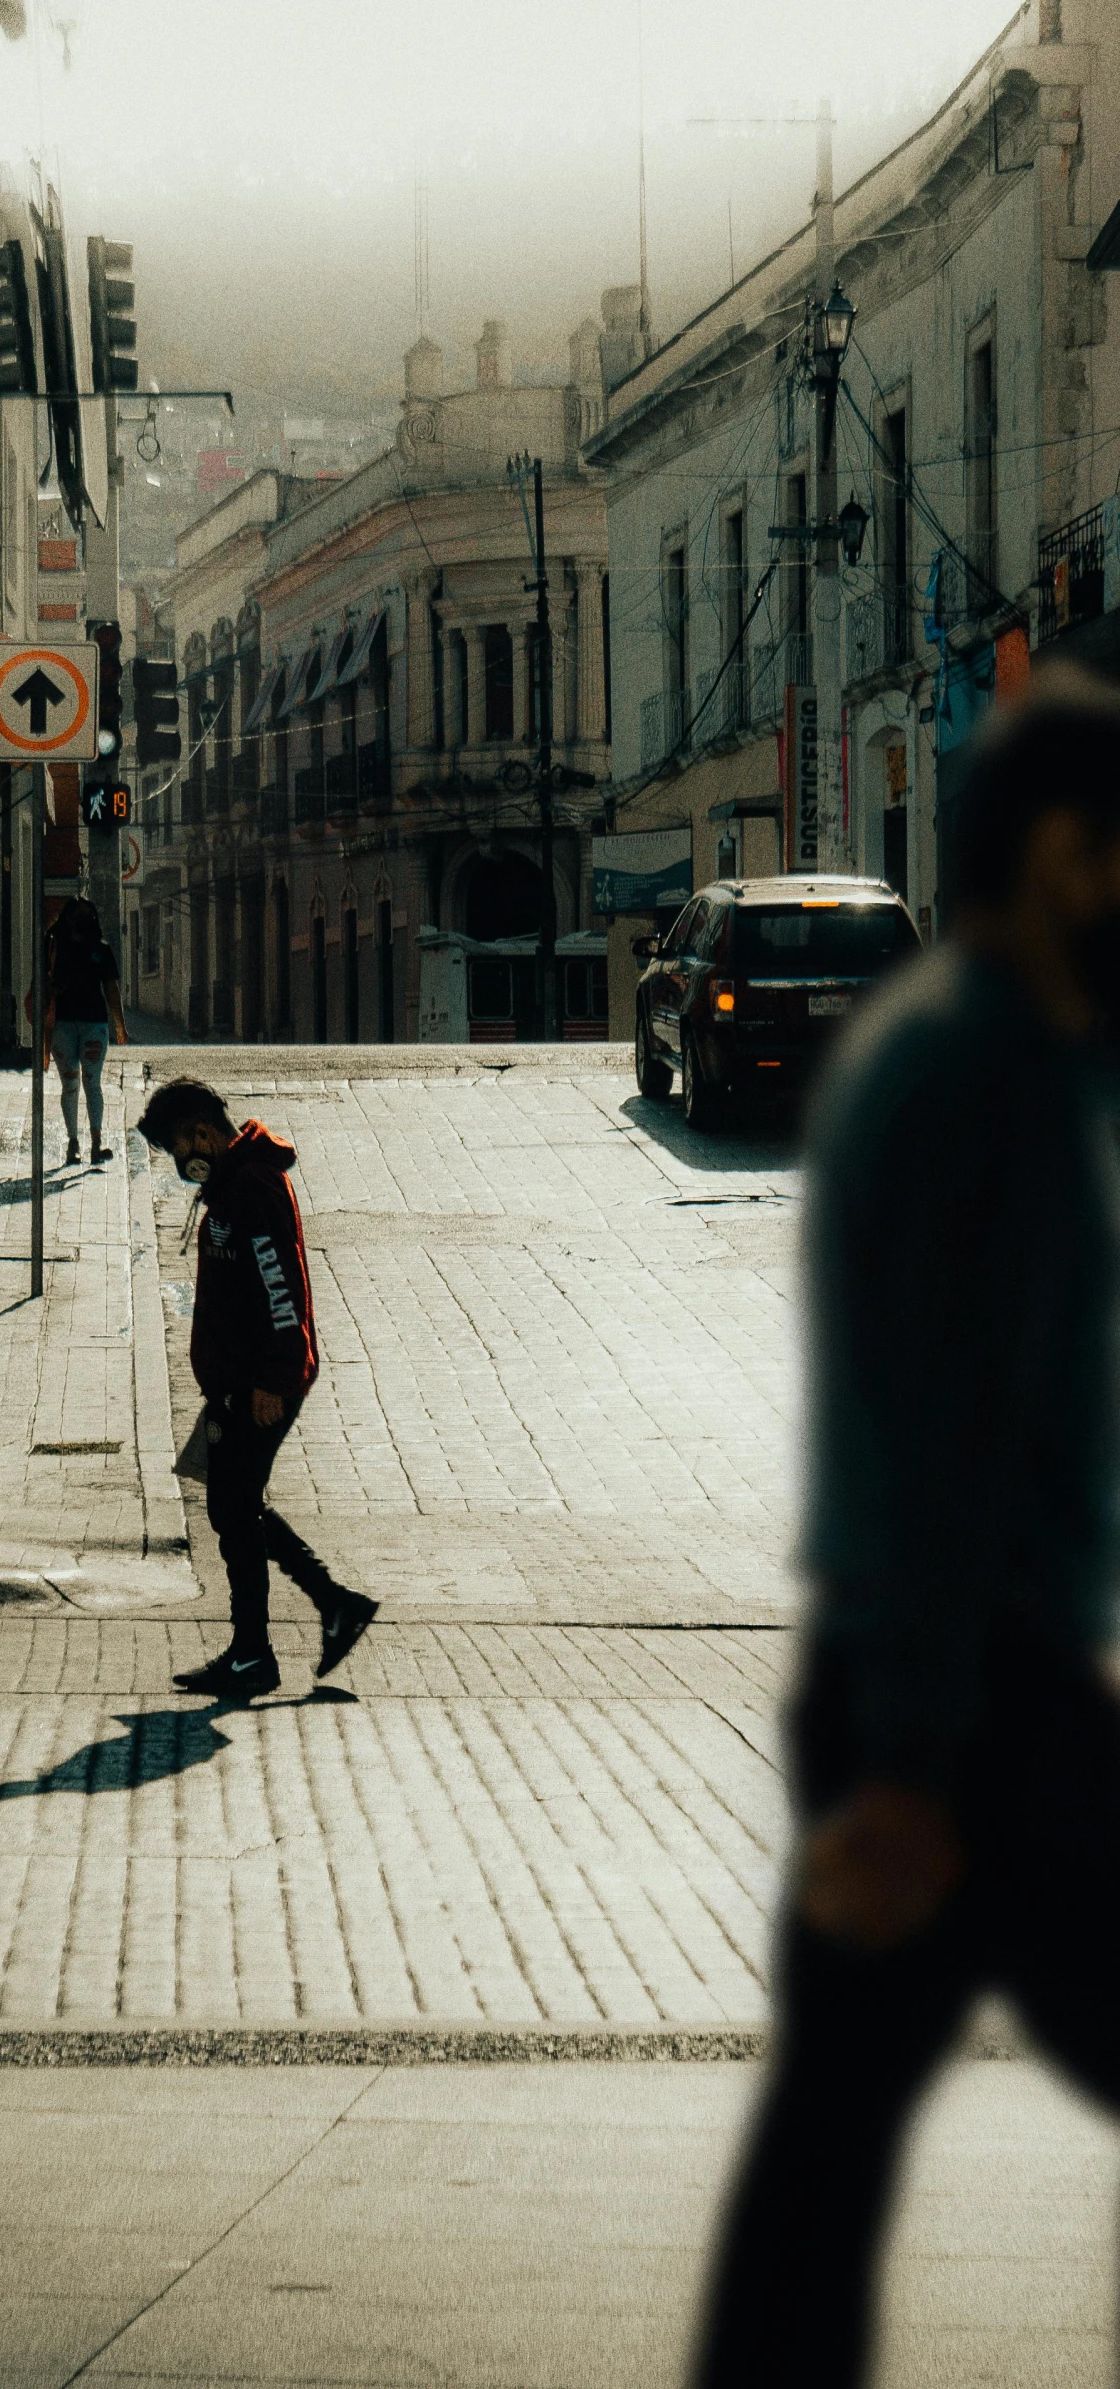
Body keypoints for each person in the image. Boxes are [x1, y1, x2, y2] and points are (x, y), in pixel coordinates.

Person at [691, 663, 1120, 2388]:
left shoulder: (966, 1052)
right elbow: (950, 1418)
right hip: (965, 1689)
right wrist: (918, 1763)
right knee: (826, 2139)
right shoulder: (985, 1078)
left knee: (828, 2135)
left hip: (924, 1673)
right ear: (1057, 855)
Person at [136, 1075, 377, 1699]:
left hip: (261, 1382)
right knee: (234, 1504)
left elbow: (281, 1288)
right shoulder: (232, 1184)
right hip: (239, 1382)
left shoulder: (251, 1186)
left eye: (174, 1147)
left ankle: (256, 1654)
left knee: (233, 1507)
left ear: (202, 1132)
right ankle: (329, 1607)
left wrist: (273, 1379)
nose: (177, 1162)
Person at [46, 897, 127, 1166]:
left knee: (90, 1083)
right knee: (72, 1084)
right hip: (64, 1024)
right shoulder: (54, 945)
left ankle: (94, 1143)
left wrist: (119, 1024)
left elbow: (110, 988)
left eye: (89, 916)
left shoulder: (100, 949)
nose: (86, 921)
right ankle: (74, 1143)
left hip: (93, 1023)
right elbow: (43, 978)